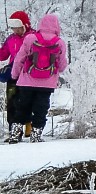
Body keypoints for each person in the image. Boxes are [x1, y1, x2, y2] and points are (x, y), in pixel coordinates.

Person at [9, 14, 67, 143]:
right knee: (41, 109)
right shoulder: (59, 42)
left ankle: (15, 134)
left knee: (22, 107)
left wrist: (14, 75)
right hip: (47, 84)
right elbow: (62, 66)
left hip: (26, 82)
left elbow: (19, 59)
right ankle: (35, 136)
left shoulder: (31, 38)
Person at [0, 11, 28, 139]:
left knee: (26, 102)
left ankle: (28, 126)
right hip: (13, 75)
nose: (15, 30)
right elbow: (3, 54)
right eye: (13, 28)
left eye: (18, 27)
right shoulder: (11, 39)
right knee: (11, 102)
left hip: (28, 76)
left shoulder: (32, 37)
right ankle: (14, 130)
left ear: (25, 25)